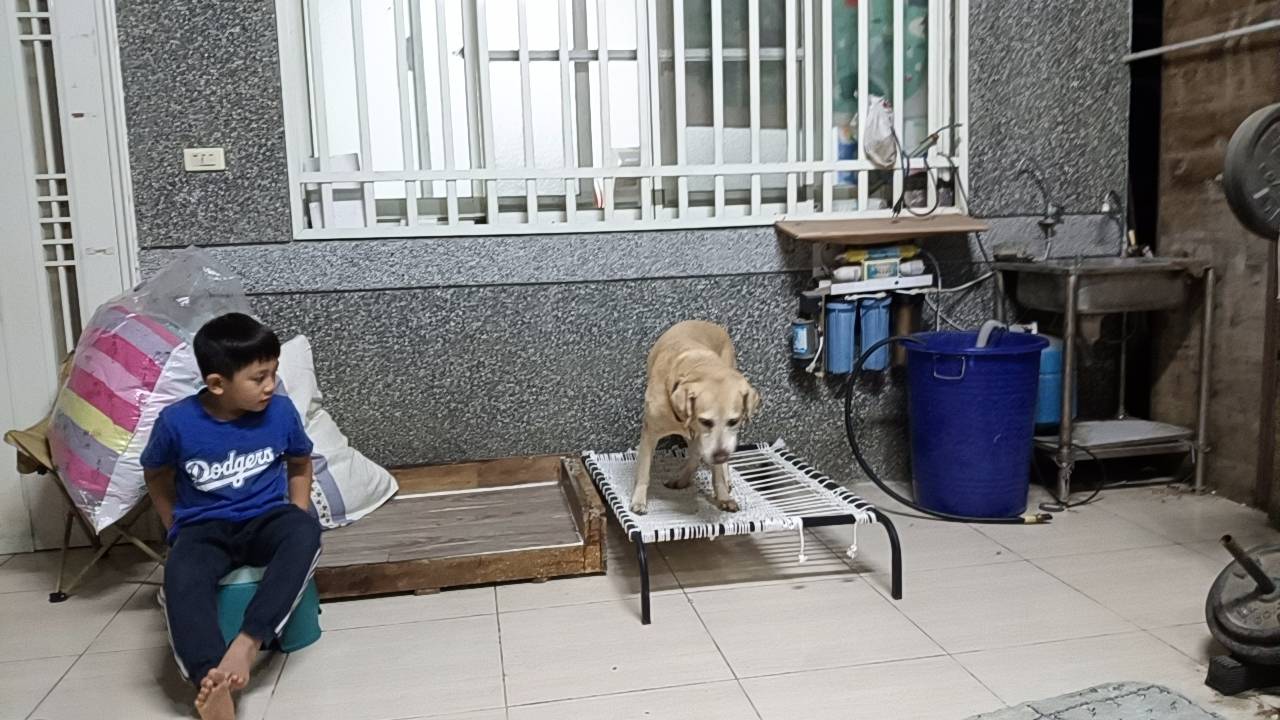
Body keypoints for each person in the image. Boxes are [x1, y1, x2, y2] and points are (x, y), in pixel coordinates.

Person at [142, 312, 321, 720]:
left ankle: (247, 643)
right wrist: (173, 526)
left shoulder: (280, 412)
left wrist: (296, 510)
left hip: (266, 519)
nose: (271, 385)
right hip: (204, 527)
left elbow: (299, 462)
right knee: (181, 574)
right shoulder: (177, 422)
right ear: (217, 383)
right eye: (258, 378)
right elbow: (156, 474)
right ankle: (210, 679)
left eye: (273, 372)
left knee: (304, 532)